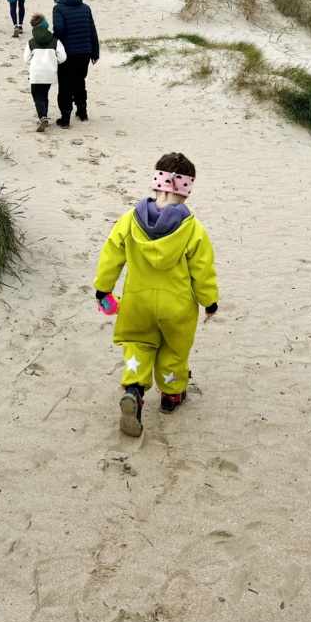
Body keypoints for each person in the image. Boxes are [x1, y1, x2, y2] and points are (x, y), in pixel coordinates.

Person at [92, 152, 219, 437]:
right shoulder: (193, 230)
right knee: (174, 350)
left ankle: (134, 391)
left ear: (155, 185)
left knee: (137, 344)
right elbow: (203, 271)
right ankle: (171, 397)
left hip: (138, 301)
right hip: (177, 306)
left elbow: (111, 254)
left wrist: (103, 288)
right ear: (186, 192)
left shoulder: (128, 221)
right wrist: (209, 302)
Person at [52, 0, 100, 128]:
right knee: (80, 81)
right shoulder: (85, 8)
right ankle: (82, 112)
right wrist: (95, 52)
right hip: (85, 52)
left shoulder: (58, 8)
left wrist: (53, 40)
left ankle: (65, 118)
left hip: (67, 54)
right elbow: (92, 31)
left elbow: (59, 29)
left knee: (65, 85)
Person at [23, 12, 66, 131]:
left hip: (36, 73)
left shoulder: (31, 42)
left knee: (37, 96)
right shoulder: (55, 41)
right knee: (44, 94)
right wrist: (52, 61)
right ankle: (44, 116)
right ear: (45, 25)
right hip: (49, 73)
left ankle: (42, 117)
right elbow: (62, 57)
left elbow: (26, 59)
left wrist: (36, 62)